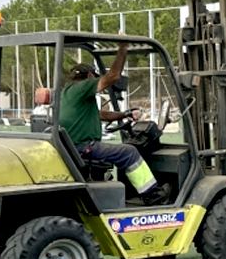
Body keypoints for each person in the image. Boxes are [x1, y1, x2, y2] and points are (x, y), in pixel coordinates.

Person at [59, 43, 170, 206]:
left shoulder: (69, 92)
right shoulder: (84, 87)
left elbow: (99, 115)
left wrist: (124, 114)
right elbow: (113, 77)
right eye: (95, 77)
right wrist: (122, 49)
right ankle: (152, 195)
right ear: (90, 76)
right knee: (130, 152)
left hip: (73, 146)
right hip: (84, 146)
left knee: (119, 151)